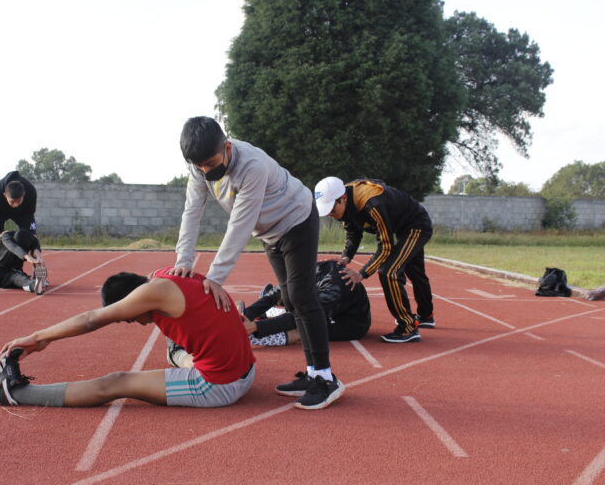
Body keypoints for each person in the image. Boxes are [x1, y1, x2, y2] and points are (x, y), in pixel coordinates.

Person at [168, 116, 343, 410]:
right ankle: (311, 374)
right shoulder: (199, 166)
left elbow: (240, 223)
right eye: (200, 167)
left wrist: (215, 277)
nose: (206, 171)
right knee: (289, 299)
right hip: (270, 232)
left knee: (302, 296)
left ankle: (325, 378)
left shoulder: (252, 165)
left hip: (296, 218)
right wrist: (183, 259)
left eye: (211, 163)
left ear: (226, 146)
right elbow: (192, 211)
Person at [0, 267, 256, 409]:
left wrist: (39, 338)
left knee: (115, 383)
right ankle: (180, 356)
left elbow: (91, 320)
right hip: (247, 371)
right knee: (180, 350)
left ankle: (15, 394)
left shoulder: (151, 294)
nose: (139, 323)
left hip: (220, 386)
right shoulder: (166, 274)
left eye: (131, 318)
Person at [314, 176, 435, 343]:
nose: (332, 216)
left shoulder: (373, 204)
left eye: (332, 211)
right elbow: (353, 232)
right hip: (401, 227)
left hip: (416, 225)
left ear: (343, 199)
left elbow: (386, 247)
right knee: (415, 273)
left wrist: (361, 274)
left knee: (389, 271)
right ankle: (426, 316)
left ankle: (407, 328)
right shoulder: (345, 200)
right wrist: (346, 257)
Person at [240, 260, 371, 346]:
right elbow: (273, 295)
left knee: (303, 330)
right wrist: (243, 316)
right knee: (291, 299)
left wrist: (256, 327)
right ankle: (277, 312)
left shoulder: (332, 288)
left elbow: (304, 317)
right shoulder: (305, 271)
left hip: (351, 323)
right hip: (329, 308)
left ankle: (250, 339)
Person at [0, 170, 37, 270]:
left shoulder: (31, 191)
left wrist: (29, 236)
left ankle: (38, 276)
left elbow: (30, 213)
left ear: (24, 195)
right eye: (12, 202)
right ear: (4, 195)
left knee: (33, 239)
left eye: (19, 201)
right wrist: (0, 232)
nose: (16, 205)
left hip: (23, 213)